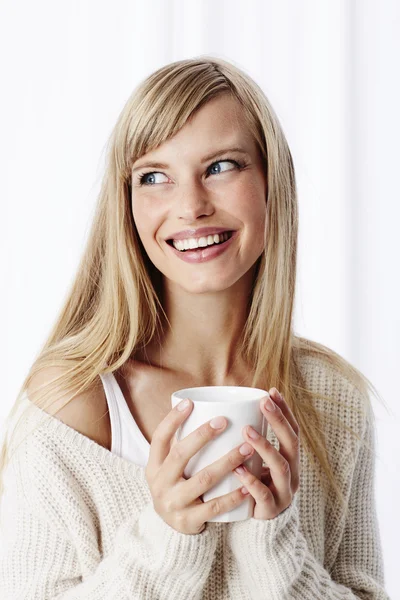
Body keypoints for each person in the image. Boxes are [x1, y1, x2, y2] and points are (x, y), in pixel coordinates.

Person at [0, 56, 389, 599]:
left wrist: (273, 539)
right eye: (154, 177)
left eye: (222, 166)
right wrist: (164, 541)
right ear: (127, 204)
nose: (190, 207)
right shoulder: (71, 405)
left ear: (271, 181)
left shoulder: (334, 399)